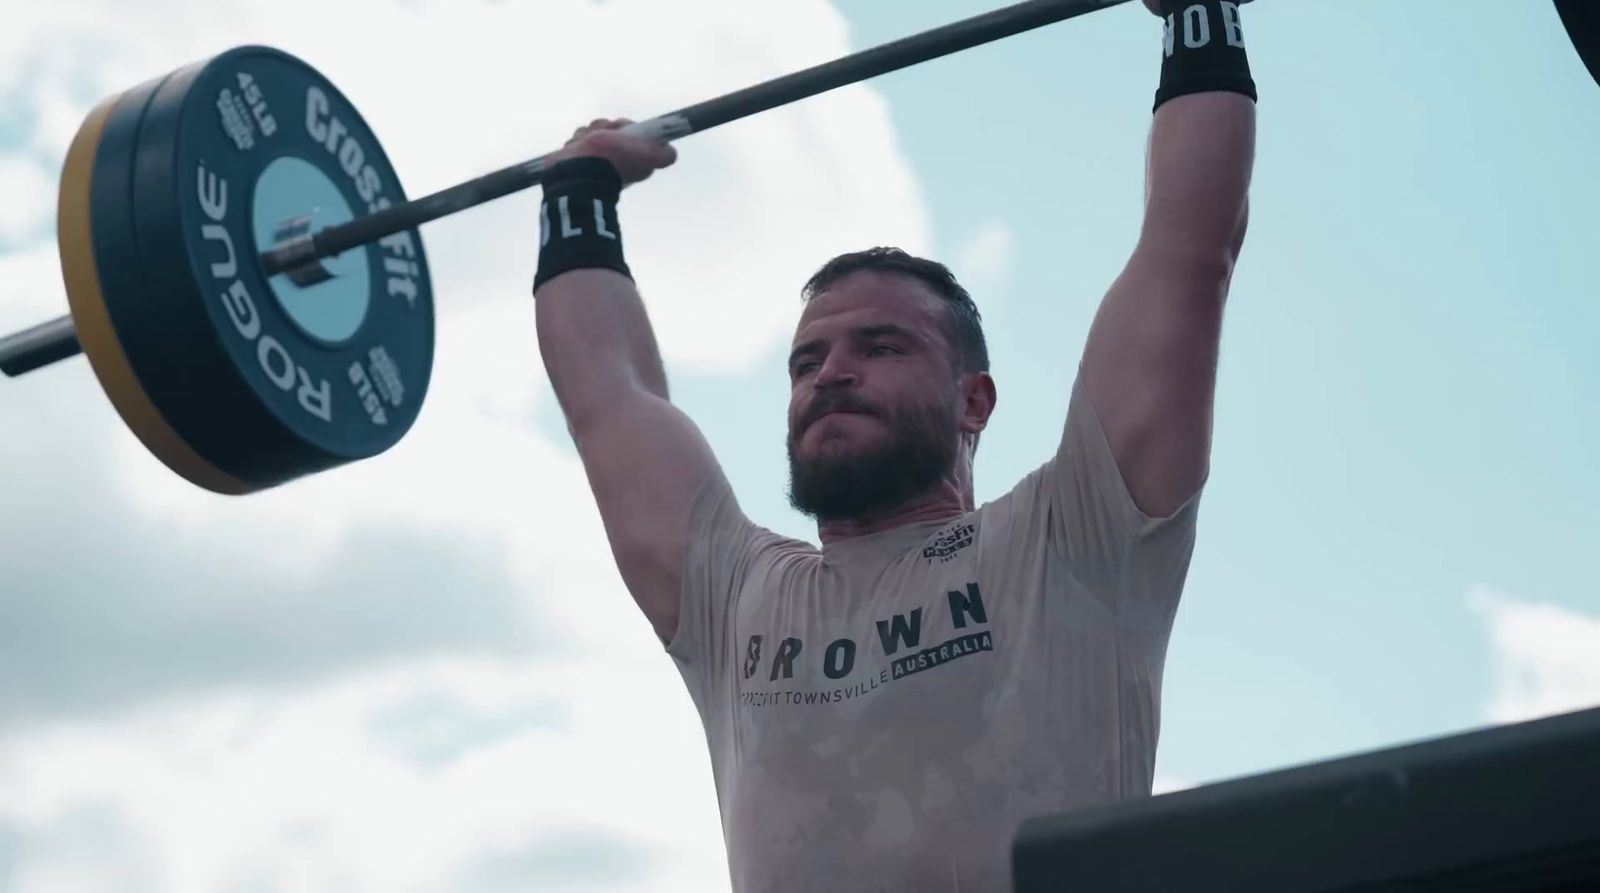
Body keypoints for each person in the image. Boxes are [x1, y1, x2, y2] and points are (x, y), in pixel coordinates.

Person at [531, 0, 1256, 888]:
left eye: (880, 346)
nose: (831, 373)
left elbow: (1188, 250)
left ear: (974, 402)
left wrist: (1200, 16)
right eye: (807, 360)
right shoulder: (735, 596)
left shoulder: (1074, 538)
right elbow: (610, 398)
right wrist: (577, 199)